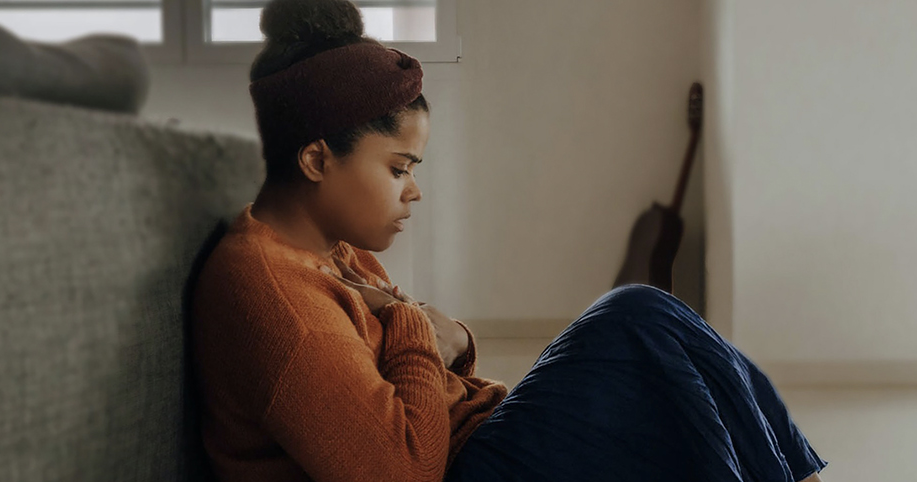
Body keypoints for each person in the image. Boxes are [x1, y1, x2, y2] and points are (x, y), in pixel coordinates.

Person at [189, 1, 827, 481]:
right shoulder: (274, 297)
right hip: (462, 469)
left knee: (657, 366)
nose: (413, 192)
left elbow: (422, 367)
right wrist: (413, 322)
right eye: (398, 169)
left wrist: (456, 341)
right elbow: (399, 471)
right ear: (315, 160)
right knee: (636, 317)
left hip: (481, 436)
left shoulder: (332, 251)